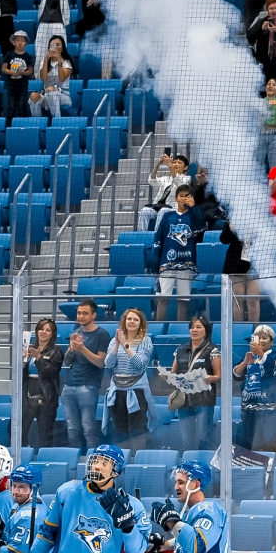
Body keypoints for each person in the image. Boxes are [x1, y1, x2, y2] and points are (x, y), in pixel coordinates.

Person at [18, 447, 151, 553]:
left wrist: (128, 527)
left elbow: (137, 551)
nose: (97, 466)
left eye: (104, 463)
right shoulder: (67, 492)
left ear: (116, 470)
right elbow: (47, 534)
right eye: (95, 461)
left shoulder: (132, 506)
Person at [103, 309, 156, 453]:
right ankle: (120, 461)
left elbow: (140, 364)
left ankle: (136, 460)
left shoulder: (145, 341)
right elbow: (108, 364)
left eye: (135, 320)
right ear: (124, 322)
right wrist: (117, 345)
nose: (132, 322)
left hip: (137, 391)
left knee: (137, 430)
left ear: (141, 324)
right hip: (117, 391)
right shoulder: (114, 341)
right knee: (119, 429)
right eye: (129, 319)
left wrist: (126, 345)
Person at [60, 300, 109, 452]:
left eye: (85, 313)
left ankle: (92, 459)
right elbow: (67, 361)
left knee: (88, 428)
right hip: (69, 385)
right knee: (72, 429)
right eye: (79, 313)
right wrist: (72, 348)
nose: (81, 316)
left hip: (88, 386)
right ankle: (73, 460)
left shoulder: (102, 334)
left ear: (94, 315)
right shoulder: (77, 332)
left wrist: (82, 349)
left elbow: (101, 362)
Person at [151, 184, 204, 322]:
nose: (184, 199)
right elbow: (158, 239)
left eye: (187, 196)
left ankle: (179, 326)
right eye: (181, 196)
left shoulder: (194, 216)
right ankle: (159, 327)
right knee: (163, 297)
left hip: (186, 264)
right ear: (175, 198)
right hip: (166, 263)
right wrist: (155, 263)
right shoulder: (167, 216)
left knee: (183, 299)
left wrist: (194, 208)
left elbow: (201, 228)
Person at [232, 325, 276, 451]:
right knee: (250, 444)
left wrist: (261, 355)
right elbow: (236, 375)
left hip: (270, 409)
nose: (261, 341)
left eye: (265, 338)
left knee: (268, 443)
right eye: (258, 338)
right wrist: (245, 362)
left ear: (271, 341)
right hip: (249, 408)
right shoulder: (250, 357)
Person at [170, 315, 220, 451]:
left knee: (204, 437)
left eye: (199, 327)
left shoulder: (212, 350)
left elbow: (219, 375)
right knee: (187, 440)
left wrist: (212, 378)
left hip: (204, 399)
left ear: (206, 330)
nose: (194, 330)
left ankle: (203, 467)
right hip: (184, 400)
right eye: (192, 327)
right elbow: (173, 373)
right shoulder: (180, 350)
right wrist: (166, 376)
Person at [22, 318, 63, 448]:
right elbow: (20, 375)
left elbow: (52, 372)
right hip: (27, 395)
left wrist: (39, 358)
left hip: (46, 396)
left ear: (52, 334)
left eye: (47, 330)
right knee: (18, 430)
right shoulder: (29, 349)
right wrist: (23, 360)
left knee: (45, 434)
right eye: (41, 329)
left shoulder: (56, 351)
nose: (43, 332)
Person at [221, 224, 259, 323]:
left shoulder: (262, 216)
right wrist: (230, 229)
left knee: (253, 300)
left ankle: (255, 332)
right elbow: (223, 239)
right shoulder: (235, 215)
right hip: (237, 264)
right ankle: (240, 330)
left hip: (256, 262)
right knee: (238, 300)